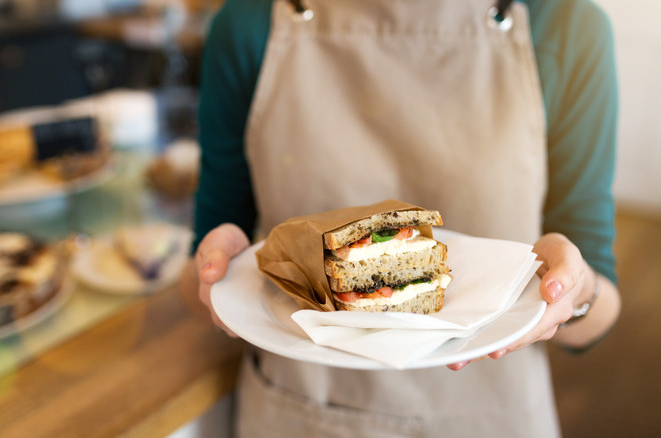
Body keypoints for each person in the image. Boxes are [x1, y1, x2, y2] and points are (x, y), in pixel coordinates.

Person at [179, 0, 622, 436]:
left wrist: (575, 291)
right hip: (299, 411)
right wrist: (218, 273)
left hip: (490, 413)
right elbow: (196, 276)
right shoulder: (248, 24)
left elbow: (599, 311)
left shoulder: (567, 27)